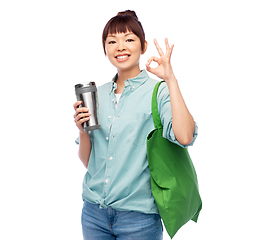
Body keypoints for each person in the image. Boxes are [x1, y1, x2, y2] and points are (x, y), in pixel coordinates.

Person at [73, 10, 198, 240]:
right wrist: (82, 132)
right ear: (105, 49)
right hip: (93, 214)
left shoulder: (157, 91)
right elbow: (89, 162)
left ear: (143, 46)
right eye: (112, 41)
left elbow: (185, 136)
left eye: (129, 39)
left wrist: (170, 79)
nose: (120, 47)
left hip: (138, 219)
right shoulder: (97, 95)